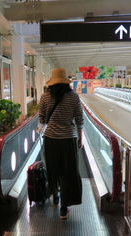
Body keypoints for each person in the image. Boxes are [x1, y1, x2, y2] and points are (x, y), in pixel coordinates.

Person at [38, 68, 83, 220]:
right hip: (68, 140)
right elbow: (79, 119)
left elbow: (42, 119)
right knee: (68, 173)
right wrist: (80, 138)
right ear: (66, 83)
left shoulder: (45, 97)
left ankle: (55, 196)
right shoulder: (74, 97)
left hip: (50, 139)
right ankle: (64, 208)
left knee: (53, 169)